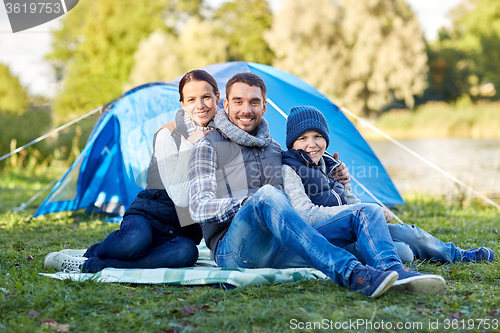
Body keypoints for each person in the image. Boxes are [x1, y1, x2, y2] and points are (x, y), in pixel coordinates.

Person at [188, 72, 445, 298]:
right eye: (239, 101)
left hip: (280, 244)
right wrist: (249, 204)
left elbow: (304, 169)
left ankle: (394, 271)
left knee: (366, 211)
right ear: (226, 104)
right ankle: (352, 274)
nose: (246, 109)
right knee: (266, 196)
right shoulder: (206, 146)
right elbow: (199, 208)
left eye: (254, 102)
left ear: (264, 106)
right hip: (234, 251)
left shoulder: (274, 149)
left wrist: (333, 173)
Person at [44, 69, 221, 273]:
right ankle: (91, 254)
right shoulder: (167, 135)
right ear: (182, 104)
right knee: (134, 242)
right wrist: (192, 144)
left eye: (206, 97)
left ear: (217, 97)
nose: (199, 105)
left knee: (186, 254)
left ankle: (95, 263)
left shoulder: (224, 137)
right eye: (191, 99)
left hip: (182, 232)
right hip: (149, 217)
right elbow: (181, 198)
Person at [282, 106, 494, 265]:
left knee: (410, 234)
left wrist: (369, 211)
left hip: (357, 225)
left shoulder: (332, 166)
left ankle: (457, 254)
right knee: (404, 253)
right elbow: (305, 215)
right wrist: (364, 212)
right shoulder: (290, 170)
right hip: (328, 238)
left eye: (318, 136)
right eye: (303, 138)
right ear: (292, 143)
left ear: (326, 139)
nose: (312, 143)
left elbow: (352, 201)